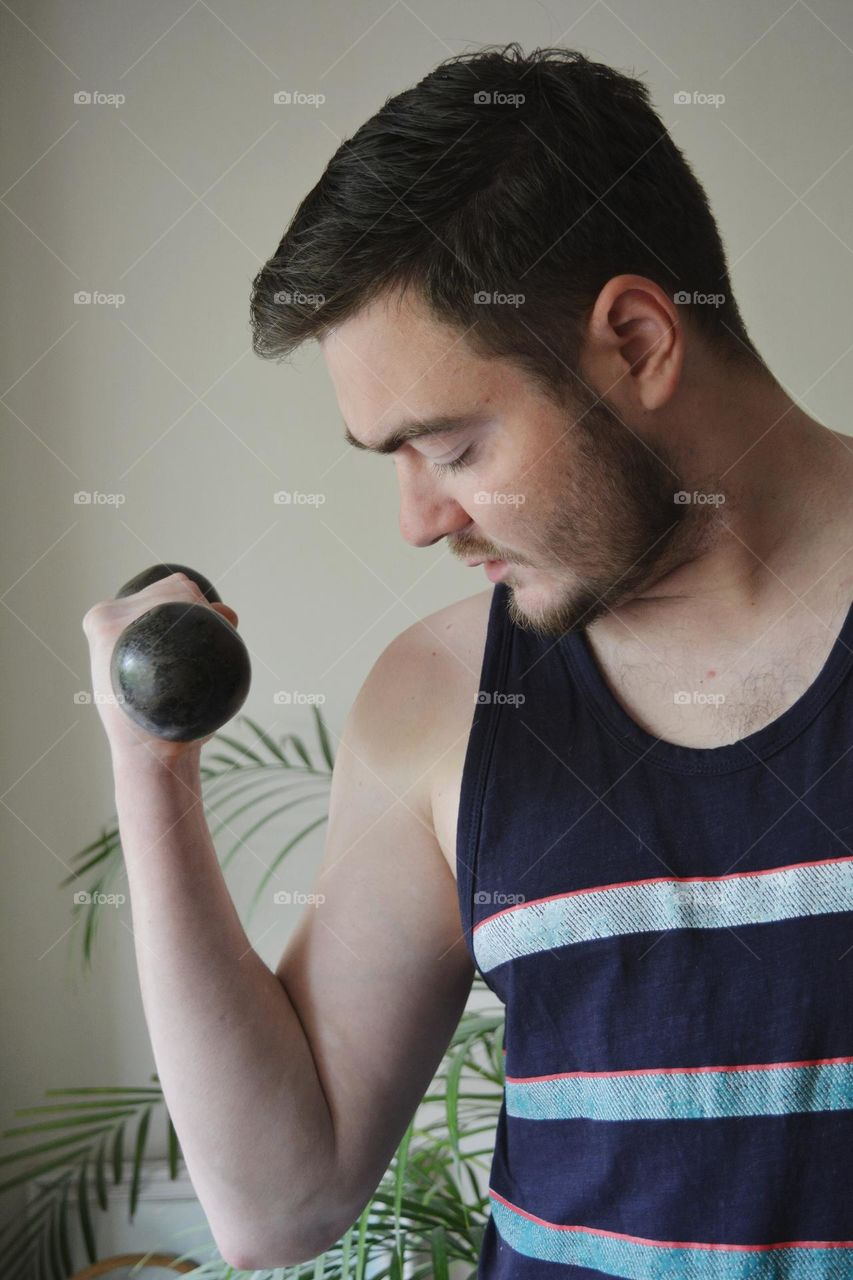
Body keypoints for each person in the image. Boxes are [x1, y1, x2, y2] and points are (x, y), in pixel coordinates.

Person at [85, 43, 853, 1276]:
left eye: (447, 446)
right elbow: (281, 1203)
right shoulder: (444, 698)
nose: (418, 518)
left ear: (640, 338)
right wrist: (149, 763)